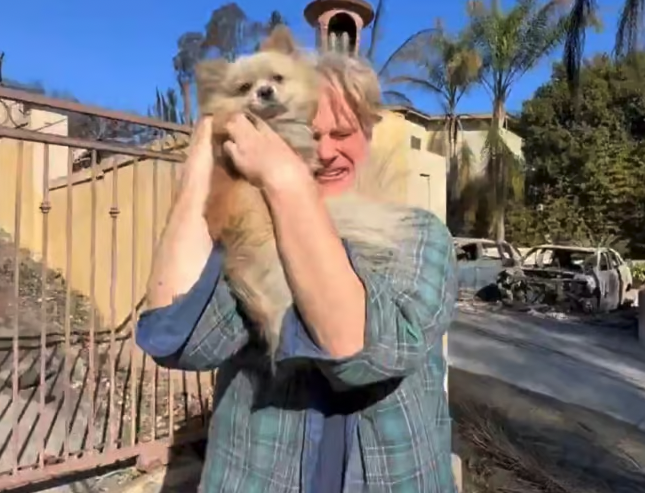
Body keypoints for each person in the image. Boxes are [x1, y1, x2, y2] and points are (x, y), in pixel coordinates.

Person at [136, 53, 458, 493]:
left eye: (343, 134)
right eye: (309, 135)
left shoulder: (419, 236)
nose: (326, 153)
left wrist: (286, 181)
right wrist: (204, 149)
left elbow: (368, 354)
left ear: (368, 133)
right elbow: (177, 338)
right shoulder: (254, 235)